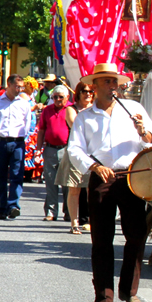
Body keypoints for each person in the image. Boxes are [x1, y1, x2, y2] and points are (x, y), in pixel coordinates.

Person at [68, 62, 152, 302]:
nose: (112, 86)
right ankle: (103, 296)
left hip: (132, 176)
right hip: (102, 177)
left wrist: (144, 133)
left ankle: (129, 292)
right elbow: (74, 149)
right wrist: (94, 167)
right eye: (107, 81)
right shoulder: (85, 117)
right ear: (93, 86)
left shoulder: (133, 108)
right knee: (101, 238)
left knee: (137, 233)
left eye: (114, 81)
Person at [0, 74, 32, 220]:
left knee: (17, 175)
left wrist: (21, 138)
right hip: (0, 142)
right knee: (0, 177)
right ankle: (2, 208)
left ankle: (13, 206)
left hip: (17, 143)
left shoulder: (24, 104)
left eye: (21, 87)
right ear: (8, 85)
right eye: (17, 86)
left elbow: (27, 123)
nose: (19, 89)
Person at [56, 82, 94, 234]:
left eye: (91, 91)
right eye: (84, 91)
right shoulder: (71, 109)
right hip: (76, 152)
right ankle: (74, 223)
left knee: (94, 190)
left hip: (93, 153)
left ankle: (92, 220)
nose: (88, 94)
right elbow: (75, 125)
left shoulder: (96, 109)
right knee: (74, 190)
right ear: (78, 93)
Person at [37, 85, 71, 220]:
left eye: (60, 97)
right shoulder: (47, 110)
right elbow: (41, 130)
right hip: (50, 149)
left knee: (68, 183)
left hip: (66, 149)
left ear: (67, 97)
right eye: (54, 97)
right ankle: (51, 212)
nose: (57, 99)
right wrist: (38, 149)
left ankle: (69, 211)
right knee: (51, 182)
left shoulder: (71, 109)